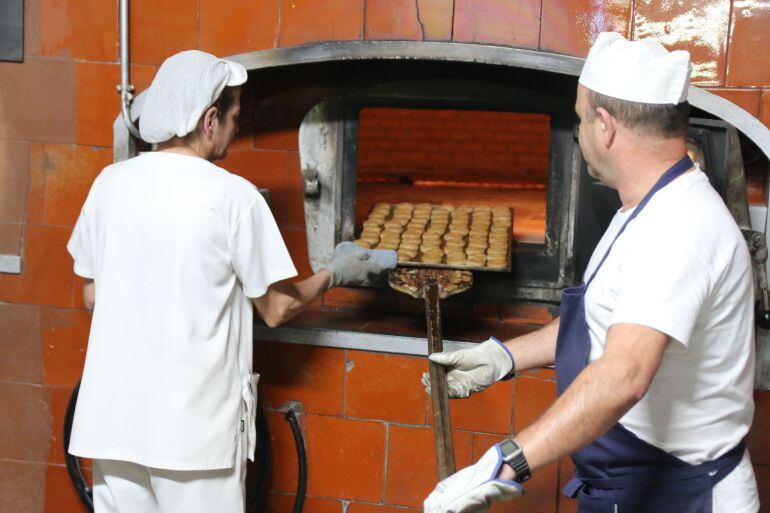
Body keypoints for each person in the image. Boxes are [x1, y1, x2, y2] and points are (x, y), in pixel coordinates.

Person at [422, 32, 759, 513]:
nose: (579, 133)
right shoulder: (645, 206)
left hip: (681, 497)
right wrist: (503, 357)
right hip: (629, 489)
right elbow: (607, 319)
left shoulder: (677, 226)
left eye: (580, 119)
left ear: (605, 126)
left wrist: (509, 461)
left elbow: (625, 374)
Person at [66, 50, 391, 513]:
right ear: (209, 119)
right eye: (235, 116)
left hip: (113, 425)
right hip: (192, 436)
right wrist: (333, 274)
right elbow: (277, 310)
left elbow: (91, 294)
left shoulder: (108, 183)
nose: (238, 127)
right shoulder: (232, 195)